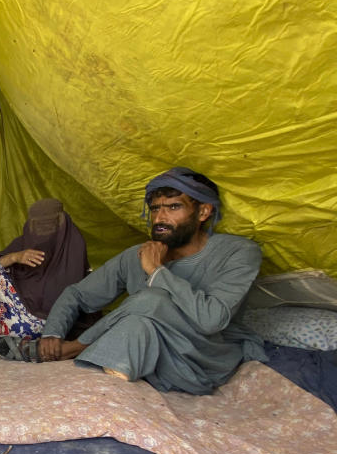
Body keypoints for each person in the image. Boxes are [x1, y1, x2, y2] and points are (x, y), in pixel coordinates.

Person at [31, 167, 264, 394]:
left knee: (152, 298)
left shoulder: (239, 252)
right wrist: (53, 333)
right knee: (137, 324)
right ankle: (96, 381)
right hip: (147, 354)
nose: (160, 218)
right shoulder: (137, 255)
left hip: (202, 363)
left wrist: (157, 272)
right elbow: (77, 295)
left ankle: (74, 348)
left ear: (203, 212)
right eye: (154, 209)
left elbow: (212, 320)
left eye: (174, 207)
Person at [0, 199, 90, 340]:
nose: (45, 227)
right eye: (40, 224)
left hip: (56, 322)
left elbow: (70, 299)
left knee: (19, 331)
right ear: (31, 223)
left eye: (50, 223)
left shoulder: (72, 246)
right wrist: (15, 257)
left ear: (61, 221)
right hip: (22, 311)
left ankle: (15, 337)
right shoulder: (24, 243)